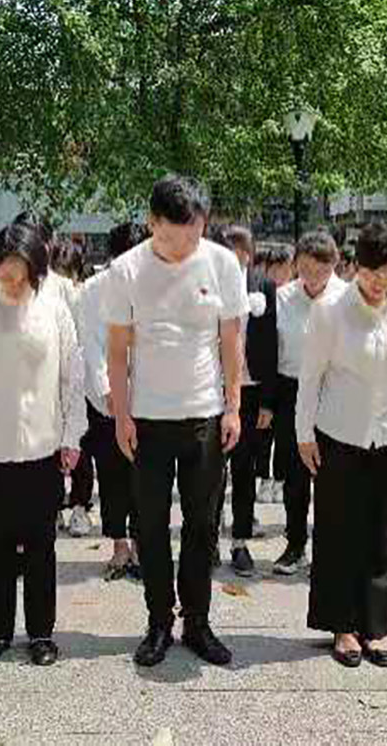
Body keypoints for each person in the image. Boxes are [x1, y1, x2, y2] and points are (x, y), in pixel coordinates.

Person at [103, 175, 246, 668]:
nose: (185, 248)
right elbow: (117, 351)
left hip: (204, 415)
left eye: (194, 236)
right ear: (152, 223)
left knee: (202, 525)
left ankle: (198, 622)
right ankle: (159, 621)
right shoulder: (126, 269)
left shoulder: (222, 263)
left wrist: (233, 405)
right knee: (150, 525)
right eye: (173, 238)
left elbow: (231, 339)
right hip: (148, 419)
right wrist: (121, 415)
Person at [296, 223, 387, 668]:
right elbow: (310, 376)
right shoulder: (330, 310)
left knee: (383, 534)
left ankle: (376, 625)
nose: (379, 283)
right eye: (371, 273)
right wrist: (303, 434)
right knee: (340, 531)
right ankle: (343, 625)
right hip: (341, 434)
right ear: (356, 267)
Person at [0, 223, 86, 667]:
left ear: (37, 274)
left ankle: (41, 633)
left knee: (41, 546)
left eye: (22, 278)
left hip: (44, 447)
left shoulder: (55, 312)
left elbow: (72, 379)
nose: (13, 286)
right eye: (5, 277)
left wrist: (71, 437)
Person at [271, 232, 344, 576]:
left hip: (335, 391)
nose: (312, 278)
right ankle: (295, 544)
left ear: (334, 265)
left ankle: (330, 549)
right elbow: (272, 351)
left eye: (321, 271)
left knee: (332, 476)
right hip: (292, 390)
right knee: (295, 475)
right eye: (305, 270)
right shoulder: (282, 298)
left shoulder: (348, 298)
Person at [77, 223, 145, 578]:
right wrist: (108, 391)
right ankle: (119, 544)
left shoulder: (154, 284)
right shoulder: (93, 290)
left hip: (148, 397)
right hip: (105, 400)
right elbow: (90, 345)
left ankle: (141, 544)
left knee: (145, 474)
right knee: (112, 472)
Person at [212, 226, 278, 577]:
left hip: (251, 391)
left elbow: (270, 344)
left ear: (249, 255)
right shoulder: (207, 283)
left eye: (240, 252)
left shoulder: (264, 286)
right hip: (212, 389)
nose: (234, 258)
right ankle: (208, 539)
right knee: (210, 472)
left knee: (244, 470)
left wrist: (268, 401)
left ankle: (240, 540)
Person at [51, 237, 96, 537]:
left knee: (82, 446)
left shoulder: (84, 297)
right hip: (51, 382)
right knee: (52, 446)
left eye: (67, 272)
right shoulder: (46, 295)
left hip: (81, 381)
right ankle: (54, 506)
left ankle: (80, 506)